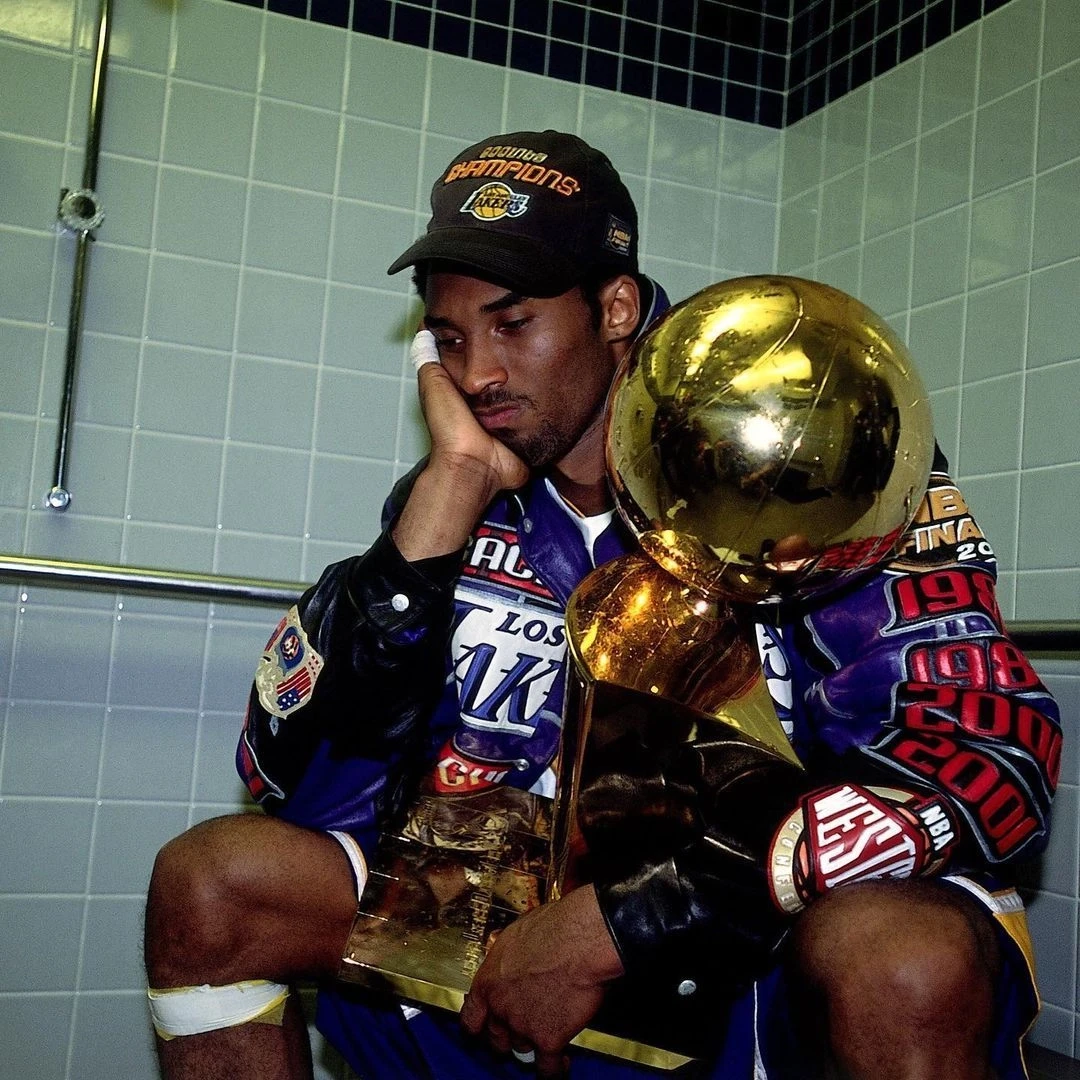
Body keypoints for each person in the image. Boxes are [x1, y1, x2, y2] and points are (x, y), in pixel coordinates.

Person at [144, 130, 1061, 1080]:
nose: (480, 376)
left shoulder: (807, 449)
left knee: (905, 957)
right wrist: (436, 516)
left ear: (615, 307)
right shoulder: (459, 492)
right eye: (451, 340)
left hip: (755, 924)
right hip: (502, 901)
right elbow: (310, 790)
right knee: (214, 883)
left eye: (513, 325)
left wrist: (630, 915)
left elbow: (982, 753)